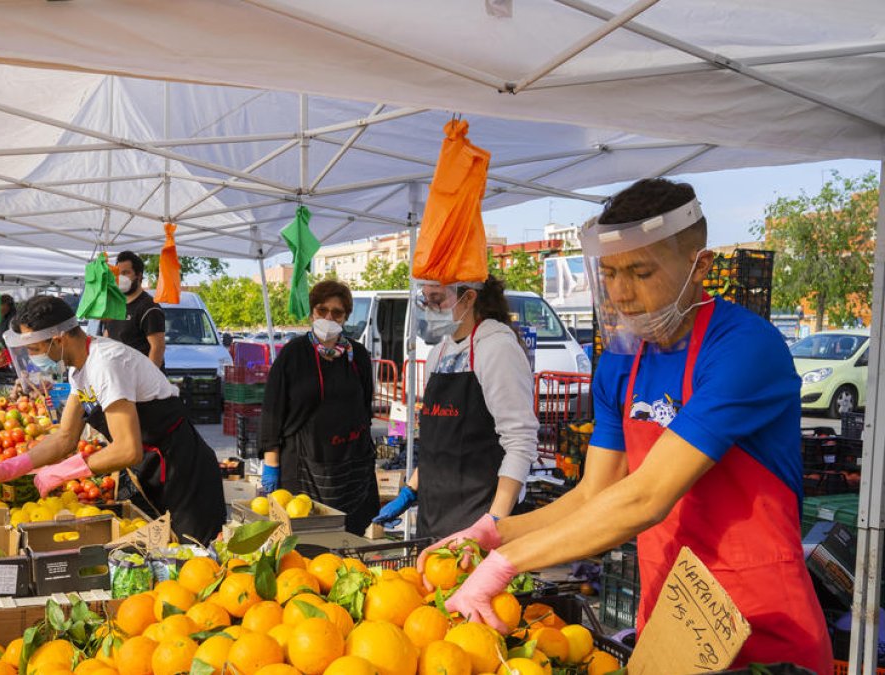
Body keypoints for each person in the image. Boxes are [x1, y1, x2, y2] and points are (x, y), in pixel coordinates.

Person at [424, 179, 832, 673]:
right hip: (670, 619)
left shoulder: (744, 349)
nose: (621, 295)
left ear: (699, 266)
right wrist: (495, 533)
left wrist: (508, 564)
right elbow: (594, 493)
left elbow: (647, 495)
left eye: (640, 272)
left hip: (759, 622)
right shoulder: (621, 365)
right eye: (610, 274)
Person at [0, 296, 225, 543]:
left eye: (35, 349)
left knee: (196, 559)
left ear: (58, 340)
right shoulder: (79, 369)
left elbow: (128, 449)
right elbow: (65, 438)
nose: (35, 357)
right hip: (154, 471)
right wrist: (7, 469)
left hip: (185, 476)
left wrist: (63, 471)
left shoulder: (106, 363)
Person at [373, 276, 539, 539]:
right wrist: (411, 490)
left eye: (437, 299)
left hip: (478, 516)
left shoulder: (498, 348)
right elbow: (437, 443)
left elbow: (521, 442)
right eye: (425, 300)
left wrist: (494, 520)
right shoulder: (438, 354)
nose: (429, 308)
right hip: (432, 517)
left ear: (469, 297)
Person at [259, 280, 379, 535]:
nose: (328, 317)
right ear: (313, 312)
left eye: (337, 312)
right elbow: (272, 412)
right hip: (302, 466)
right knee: (305, 542)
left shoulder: (357, 355)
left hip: (350, 465)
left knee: (347, 539)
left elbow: (365, 406)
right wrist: (271, 465)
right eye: (322, 310)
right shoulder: (293, 354)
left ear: (346, 316)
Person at [105, 251, 167, 368]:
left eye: (126, 273)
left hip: (141, 381)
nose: (120, 278)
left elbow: (158, 347)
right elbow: (108, 336)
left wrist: (148, 379)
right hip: (120, 379)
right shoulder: (116, 305)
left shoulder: (150, 308)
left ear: (139, 275)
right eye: (118, 273)